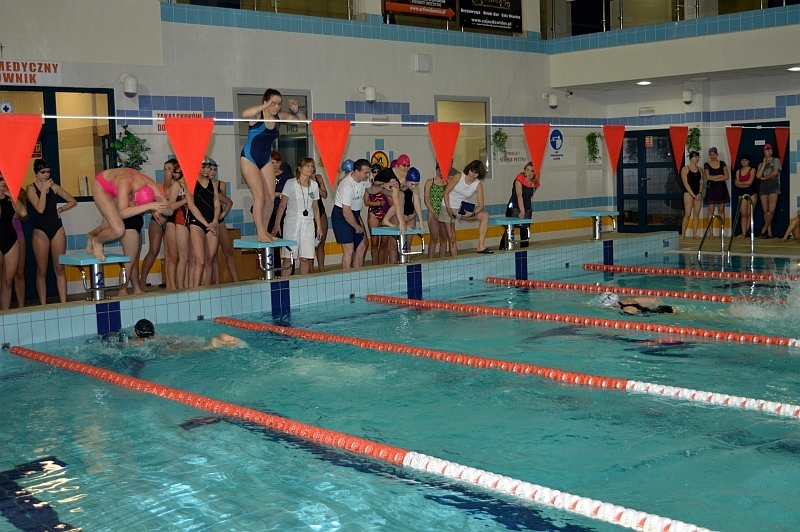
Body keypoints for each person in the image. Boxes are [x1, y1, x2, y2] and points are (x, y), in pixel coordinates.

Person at [240, 89, 305, 243]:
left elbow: (302, 122)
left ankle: (266, 231)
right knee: (259, 196)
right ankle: (260, 232)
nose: (276, 107)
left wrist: (296, 110)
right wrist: (265, 106)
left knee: (270, 197)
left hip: (265, 158)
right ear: (265, 102)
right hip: (249, 158)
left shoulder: (279, 116)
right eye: (273, 103)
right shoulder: (258, 116)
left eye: (279, 104)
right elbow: (244, 114)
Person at [87, 167, 171, 263]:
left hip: (116, 185)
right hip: (101, 186)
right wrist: (150, 206)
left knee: (105, 227)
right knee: (118, 230)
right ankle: (97, 241)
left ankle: (91, 235)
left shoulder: (150, 184)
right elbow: (122, 213)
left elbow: (170, 210)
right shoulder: (125, 183)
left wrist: (159, 209)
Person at [26, 159, 77, 304]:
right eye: (43, 172)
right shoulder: (31, 188)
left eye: (48, 172)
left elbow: (73, 201)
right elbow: (40, 209)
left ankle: (63, 303)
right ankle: (43, 304)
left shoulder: (54, 186)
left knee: (59, 268)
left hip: (56, 228)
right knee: (42, 270)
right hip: (40, 230)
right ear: (36, 173)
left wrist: (61, 209)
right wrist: (43, 190)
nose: (46, 175)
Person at [271, 157, 323, 275]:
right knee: (288, 258)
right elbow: (282, 205)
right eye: (307, 166)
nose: (310, 168)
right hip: (292, 222)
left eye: (312, 166)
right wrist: (277, 223)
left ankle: (303, 284)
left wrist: (319, 227)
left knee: (305, 258)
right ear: (300, 168)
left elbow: (315, 207)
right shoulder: (291, 183)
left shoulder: (314, 185)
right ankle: (285, 283)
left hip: (308, 223)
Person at [139, 158, 177, 289]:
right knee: (153, 250)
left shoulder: (177, 186)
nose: (166, 172)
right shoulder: (158, 185)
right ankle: (142, 280)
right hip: (157, 218)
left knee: (169, 253)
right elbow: (150, 201)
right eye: (165, 169)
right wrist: (154, 213)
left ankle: (170, 283)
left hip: (171, 220)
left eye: (169, 169)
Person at [443, 160, 492, 255]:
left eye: (476, 173)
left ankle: (480, 246)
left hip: (461, 209)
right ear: (468, 170)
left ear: (479, 174)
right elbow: (446, 192)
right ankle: (454, 260)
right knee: (452, 238)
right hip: (447, 206)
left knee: (485, 215)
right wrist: (448, 209)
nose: (473, 175)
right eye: (472, 171)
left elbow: (481, 206)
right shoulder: (459, 176)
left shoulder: (478, 185)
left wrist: (472, 213)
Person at [185, 158, 220, 287]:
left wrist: (215, 221)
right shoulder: (190, 184)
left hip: (212, 223)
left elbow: (217, 204)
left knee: (209, 260)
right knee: (200, 260)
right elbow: (192, 206)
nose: (206, 170)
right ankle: (196, 290)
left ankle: (206, 290)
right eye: (203, 167)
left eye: (208, 167)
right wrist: (206, 224)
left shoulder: (213, 184)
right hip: (197, 223)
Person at [332, 158, 370, 269]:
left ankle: (357, 274)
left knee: (362, 246)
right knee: (349, 250)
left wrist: (384, 186)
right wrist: (357, 227)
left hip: (354, 214)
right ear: (356, 171)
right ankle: (347, 276)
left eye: (369, 173)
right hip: (342, 216)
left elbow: (372, 189)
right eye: (366, 173)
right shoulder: (346, 185)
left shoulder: (363, 180)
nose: (368, 175)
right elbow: (346, 212)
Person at [0, 173, 28, 310]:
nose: (3, 182)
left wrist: (12, 196)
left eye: (5, 179)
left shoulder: (9, 197)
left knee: (8, 281)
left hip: (11, 239)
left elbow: (23, 213)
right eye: (1, 179)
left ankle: (5, 314)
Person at [208, 158, 238, 284]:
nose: (212, 172)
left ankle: (236, 280)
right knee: (213, 255)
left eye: (215, 170)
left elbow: (225, 201)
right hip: (208, 221)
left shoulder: (220, 184)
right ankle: (216, 283)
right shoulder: (201, 185)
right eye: (210, 169)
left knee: (228, 251)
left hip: (219, 221)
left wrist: (222, 214)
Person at [498, 161, 539, 250]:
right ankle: (503, 248)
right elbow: (519, 195)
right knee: (509, 229)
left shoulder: (535, 182)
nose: (530, 173)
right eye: (527, 170)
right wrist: (522, 211)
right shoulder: (519, 179)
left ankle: (524, 250)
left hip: (527, 207)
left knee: (525, 229)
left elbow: (529, 196)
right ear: (524, 171)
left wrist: (526, 209)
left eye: (532, 171)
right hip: (514, 207)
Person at [164, 164, 191, 289]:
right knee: (174, 257)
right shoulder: (176, 185)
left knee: (187, 258)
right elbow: (171, 206)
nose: (175, 174)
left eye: (176, 172)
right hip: (176, 221)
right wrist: (186, 200)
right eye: (173, 172)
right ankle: (173, 287)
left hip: (189, 221)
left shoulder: (190, 184)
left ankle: (186, 285)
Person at [131, 319, 240, 349]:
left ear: (137, 332)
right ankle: (222, 340)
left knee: (188, 350)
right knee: (188, 344)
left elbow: (125, 346)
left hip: (164, 346)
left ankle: (211, 345)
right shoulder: (158, 336)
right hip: (170, 340)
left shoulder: (140, 343)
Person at [703, 147, 729, 239]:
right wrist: (719, 176)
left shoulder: (722, 163)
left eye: (714, 154)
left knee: (721, 210)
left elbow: (726, 176)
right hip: (712, 189)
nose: (712, 156)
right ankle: (711, 233)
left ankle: (721, 232)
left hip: (721, 188)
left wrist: (714, 178)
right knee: (711, 210)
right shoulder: (706, 164)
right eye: (711, 154)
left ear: (717, 155)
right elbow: (708, 177)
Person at [756, 143, 781, 239]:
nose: (767, 151)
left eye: (768, 150)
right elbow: (758, 176)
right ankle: (769, 232)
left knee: (771, 210)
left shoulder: (776, 160)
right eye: (765, 150)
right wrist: (764, 163)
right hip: (763, 187)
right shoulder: (760, 164)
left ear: (771, 151)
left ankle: (764, 228)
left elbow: (775, 172)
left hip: (773, 186)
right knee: (765, 211)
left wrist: (765, 178)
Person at [118, 210, 145, 296]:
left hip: (135, 224)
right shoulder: (124, 201)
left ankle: (136, 288)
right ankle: (122, 290)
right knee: (129, 262)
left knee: (134, 260)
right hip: (129, 225)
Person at [680, 150, 703, 240]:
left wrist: (700, 193)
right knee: (688, 214)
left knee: (696, 214)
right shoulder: (685, 169)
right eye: (695, 157)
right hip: (688, 193)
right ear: (691, 158)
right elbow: (685, 184)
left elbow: (701, 182)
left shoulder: (700, 169)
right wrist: (694, 195)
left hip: (698, 193)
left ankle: (695, 234)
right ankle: (683, 234)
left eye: (698, 157)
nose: (697, 159)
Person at [733, 154, 758, 238]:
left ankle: (746, 232)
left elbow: (750, 182)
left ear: (749, 162)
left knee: (749, 214)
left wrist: (740, 183)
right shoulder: (738, 171)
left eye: (745, 160)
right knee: (743, 214)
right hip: (742, 193)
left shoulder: (752, 170)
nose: (744, 162)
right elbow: (737, 184)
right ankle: (743, 233)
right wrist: (743, 184)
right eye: (742, 160)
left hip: (752, 193)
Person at [11, 188, 28, 308]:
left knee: (19, 273)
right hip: (4, 232)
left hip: (17, 231)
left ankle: (21, 307)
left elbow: (25, 217)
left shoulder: (19, 191)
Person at [311, 166, 329, 273]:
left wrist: (315, 186)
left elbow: (325, 194)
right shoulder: (300, 180)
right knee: (310, 245)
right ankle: (311, 270)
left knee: (321, 242)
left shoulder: (318, 177)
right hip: (308, 213)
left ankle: (322, 270)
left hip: (320, 210)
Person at [600, 292, 675, 316]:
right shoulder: (629, 300)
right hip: (666, 309)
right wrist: (660, 307)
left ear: (613, 305)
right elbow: (654, 300)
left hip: (665, 313)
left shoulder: (627, 310)